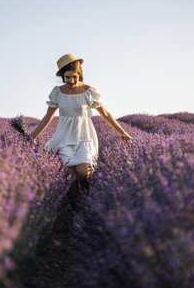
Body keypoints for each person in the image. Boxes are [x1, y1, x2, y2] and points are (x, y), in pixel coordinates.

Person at [29, 53, 133, 210]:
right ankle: (75, 208)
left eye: (74, 77)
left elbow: (105, 114)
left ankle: (89, 200)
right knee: (69, 175)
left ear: (80, 75)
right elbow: (47, 117)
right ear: (62, 77)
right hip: (64, 138)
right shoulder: (57, 92)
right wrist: (33, 135)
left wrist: (122, 132)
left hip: (85, 137)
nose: (71, 81)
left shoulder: (88, 91)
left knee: (84, 171)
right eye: (67, 77)